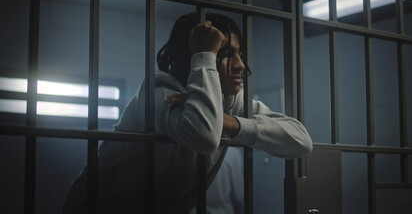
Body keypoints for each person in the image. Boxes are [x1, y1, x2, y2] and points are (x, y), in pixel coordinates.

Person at [62, 12, 312, 214]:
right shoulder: (158, 92)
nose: (240, 65)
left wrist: (230, 123)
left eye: (240, 54)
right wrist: (204, 55)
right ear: (191, 56)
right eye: (224, 54)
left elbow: (301, 141)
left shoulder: (230, 100)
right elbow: (204, 136)